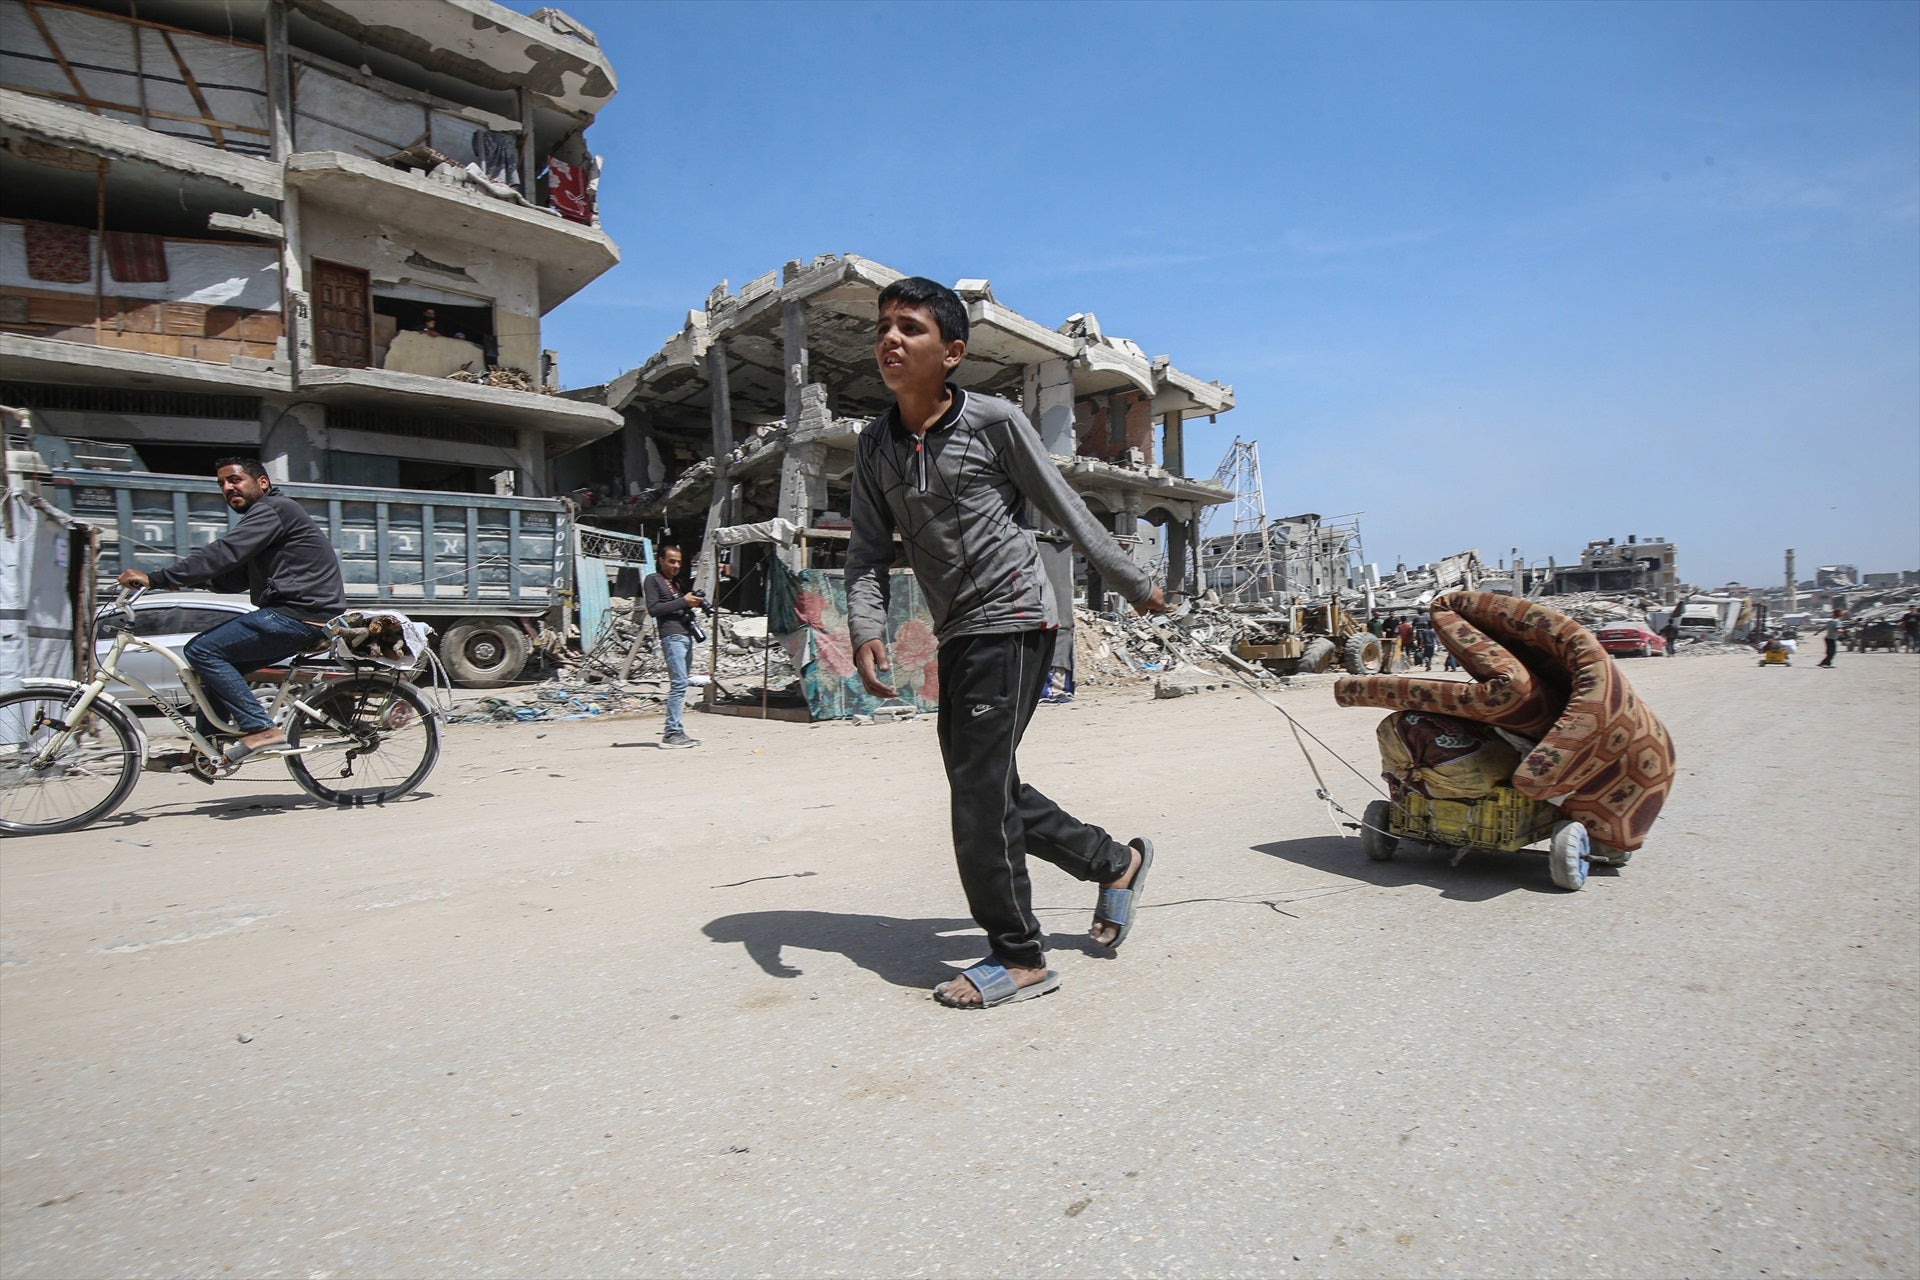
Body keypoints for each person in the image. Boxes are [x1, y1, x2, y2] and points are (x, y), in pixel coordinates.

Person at [846, 277, 1167, 1010]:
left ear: (952, 352)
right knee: (986, 786)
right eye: (884, 327)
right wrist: (866, 630)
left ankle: (1020, 955)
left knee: (977, 793)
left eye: (912, 329)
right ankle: (1114, 862)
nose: (891, 339)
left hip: (1017, 614)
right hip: (956, 628)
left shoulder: (992, 422)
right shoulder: (874, 446)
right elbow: (864, 553)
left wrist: (1129, 580)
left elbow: (1064, 504)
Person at [115, 457, 345, 767]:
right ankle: (207, 751)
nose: (227, 487)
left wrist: (159, 578)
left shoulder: (275, 509)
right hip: (298, 613)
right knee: (212, 670)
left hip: (299, 613)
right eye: (222, 484)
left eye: (235, 480)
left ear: (262, 483)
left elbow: (225, 552)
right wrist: (185, 581)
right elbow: (231, 576)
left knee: (201, 650)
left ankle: (262, 728)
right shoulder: (268, 519)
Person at [643, 545, 704, 749]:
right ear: (660, 560)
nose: (676, 565)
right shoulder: (653, 580)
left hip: (685, 635)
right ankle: (671, 733)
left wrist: (691, 602)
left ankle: (677, 730)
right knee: (678, 684)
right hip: (672, 635)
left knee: (682, 683)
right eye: (671, 561)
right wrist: (683, 602)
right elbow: (654, 609)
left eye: (678, 561)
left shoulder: (676, 583)